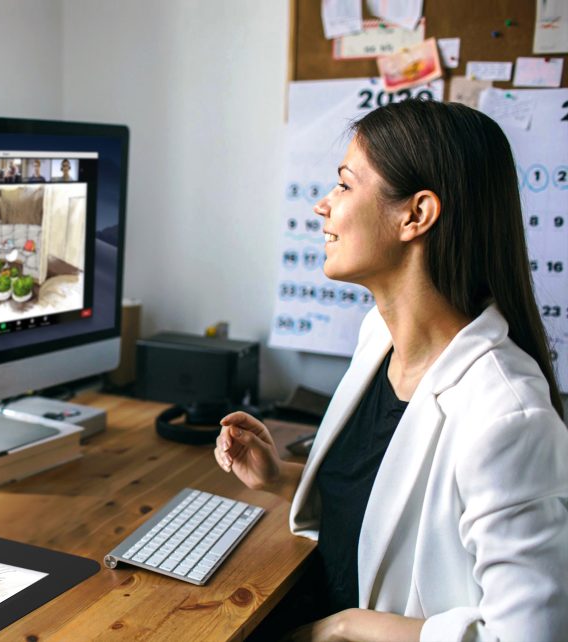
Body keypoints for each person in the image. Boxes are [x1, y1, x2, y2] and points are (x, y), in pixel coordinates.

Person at [215, 100, 568, 642]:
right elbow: (391, 515)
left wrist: (345, 628)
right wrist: (281, 479)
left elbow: (527, 636)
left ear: (416, 215)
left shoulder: (508, 417)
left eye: (345, 185)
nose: (322, 206)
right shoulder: (378, 338)